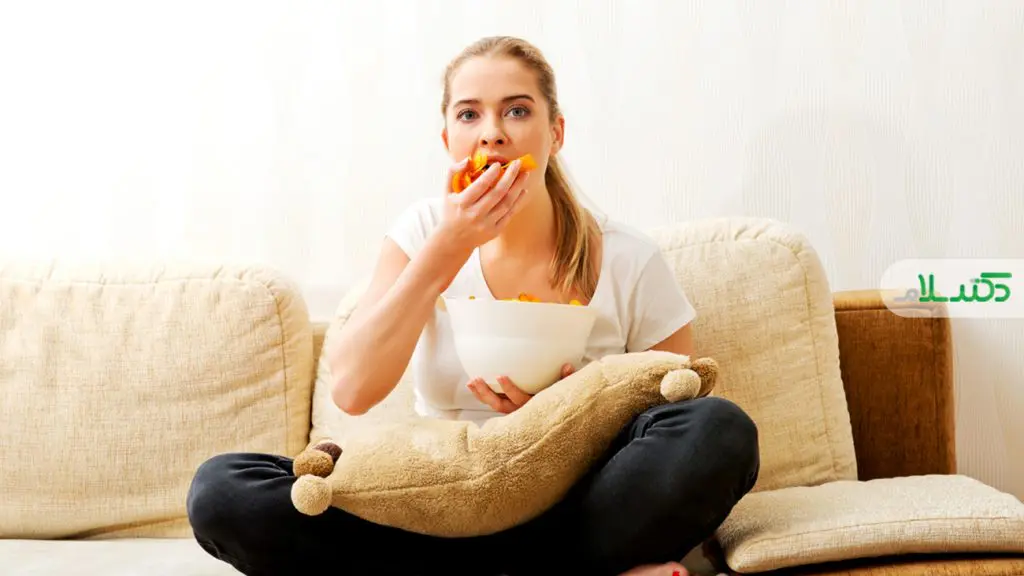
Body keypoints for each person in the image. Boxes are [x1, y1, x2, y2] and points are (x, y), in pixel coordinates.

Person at [186, 35, 759, 576]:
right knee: (223, 489)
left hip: (576, 505)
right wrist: (447, 247)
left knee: (718, 429)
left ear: (556, 132)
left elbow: (675, 401)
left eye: (517, 111)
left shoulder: (629, 257)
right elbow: (353, 390)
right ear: (447, 141)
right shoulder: (420, 233)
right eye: (468, 115)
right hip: (433, 505)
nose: (492, 134)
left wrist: (564, 413)